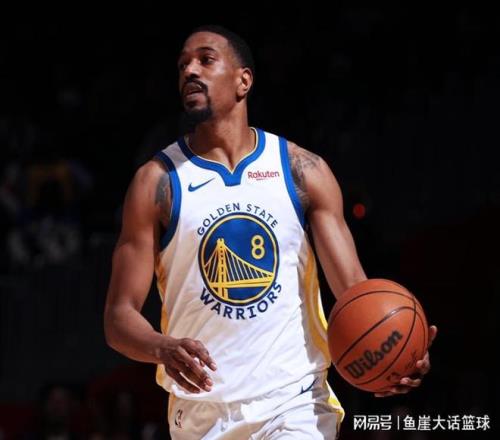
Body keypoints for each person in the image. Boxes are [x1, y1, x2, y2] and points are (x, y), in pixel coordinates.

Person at [104, 25, 437, 439]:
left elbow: (355, 290)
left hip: (294, 402)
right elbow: (118, 317)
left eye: (205, 59)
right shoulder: (156, 183)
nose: (190, 70)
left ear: (243, 81)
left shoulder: (301, 171)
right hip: (201, 414)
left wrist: (395, 344)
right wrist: (161, 347)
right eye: (183, 64)